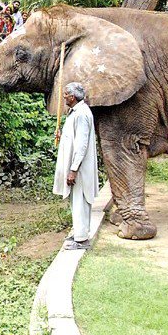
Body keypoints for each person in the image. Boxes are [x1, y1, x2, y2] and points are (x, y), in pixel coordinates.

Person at [53, 82, 99, 250]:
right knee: (77, 200)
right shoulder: (76, 112)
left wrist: (73, 169)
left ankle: (81, 240)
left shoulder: (81, 114)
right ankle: (80, 233)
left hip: (79, 169)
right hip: (77, 167)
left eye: (65, 94)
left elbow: (81, 145)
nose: (63, 96)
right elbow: (73, 137)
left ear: (72, 97)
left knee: (80, 200)